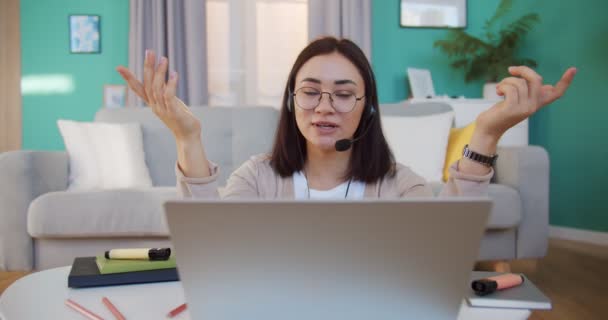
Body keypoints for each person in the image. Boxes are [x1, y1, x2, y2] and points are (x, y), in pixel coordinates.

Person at [116, 36, 575, 200]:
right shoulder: (256, 178)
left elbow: (452, 240)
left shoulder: (402, 185)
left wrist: (489, 132)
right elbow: (208, 247)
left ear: (367, 108)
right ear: (292, 103)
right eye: (310, 93)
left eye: (342, 94)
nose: (324, 107)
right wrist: (187, 136)